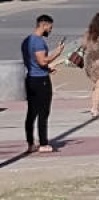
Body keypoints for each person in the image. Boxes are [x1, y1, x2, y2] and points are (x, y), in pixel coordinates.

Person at [21, 14, 63, 153]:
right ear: (43, 25)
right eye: (50, 28)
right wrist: (57, 53)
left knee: (32, 112)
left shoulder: (27, 41)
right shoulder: (37, 41)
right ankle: (43, 143)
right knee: (43, 111)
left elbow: (34, 63)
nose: (50, 31)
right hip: (40, 81)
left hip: (31, 77)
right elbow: (42, 60)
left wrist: (48, 68)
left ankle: (30, 142)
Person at [83, 12, 99, 118]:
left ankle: (94, 106)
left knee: (96, 85)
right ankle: (95, 108)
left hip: (89, 61)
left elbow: (83, 45)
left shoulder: (88, 32)